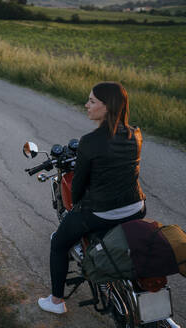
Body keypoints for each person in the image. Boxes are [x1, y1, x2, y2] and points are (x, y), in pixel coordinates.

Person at [38, 82, 147, 314]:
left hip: (101, 213)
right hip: (137, 207)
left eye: (92, 101)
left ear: (107, 107)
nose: (86, 105)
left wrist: (76, 206)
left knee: (58, 243)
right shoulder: (135, 134)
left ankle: (56, 302)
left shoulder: (90, 141)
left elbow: (77, 186)